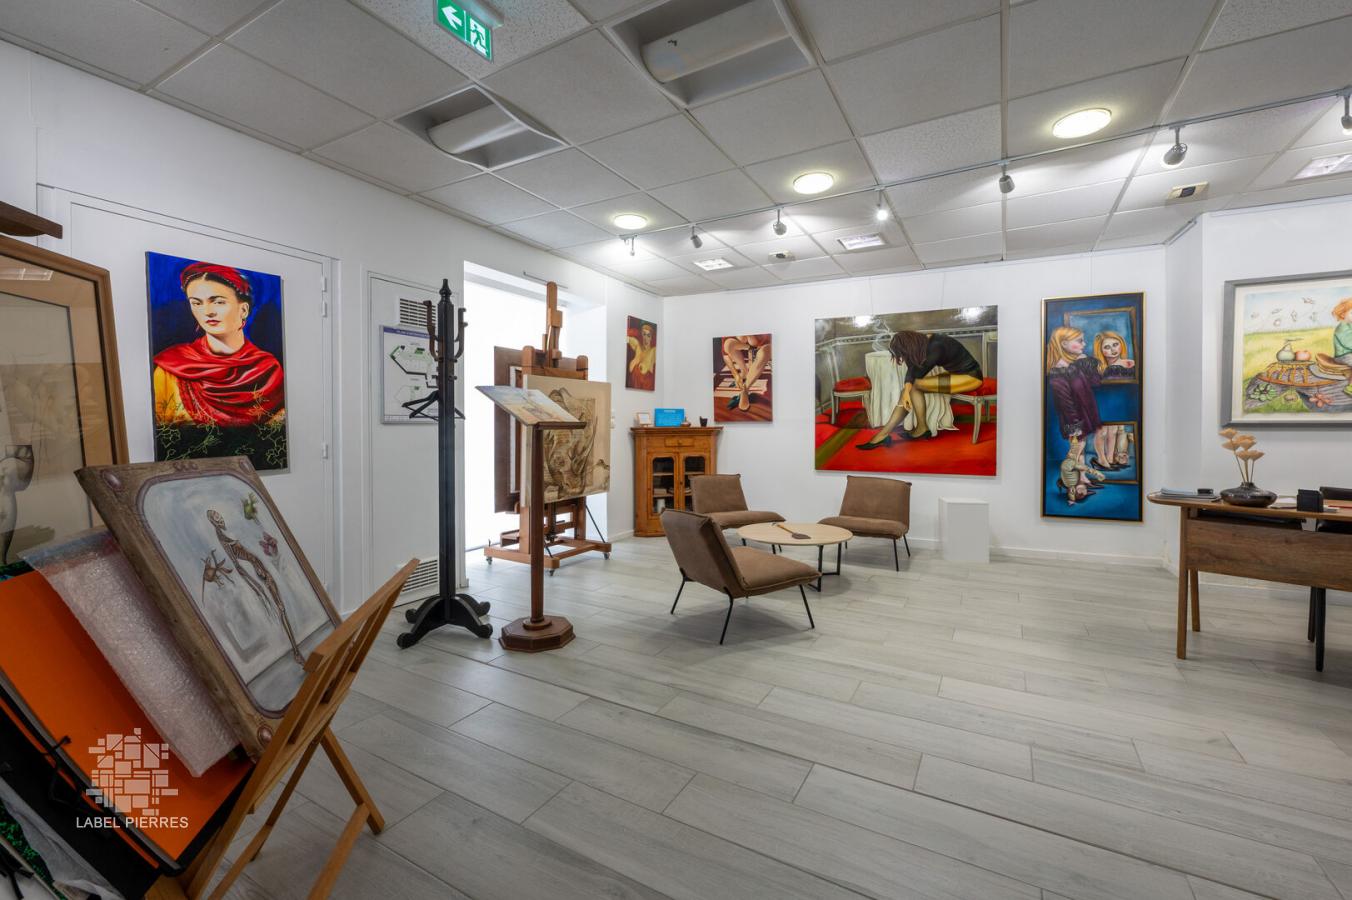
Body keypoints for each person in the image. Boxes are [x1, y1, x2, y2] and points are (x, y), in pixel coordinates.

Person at [152, 262, 285, 429]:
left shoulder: (269, 370)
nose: (207, 312)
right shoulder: (170, 369)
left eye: (218, 302)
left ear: (243, 310)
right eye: (197, 303)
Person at [857, 330, 983, 448]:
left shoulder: (936, 347)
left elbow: (917, 373)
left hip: (971, 377)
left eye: (904, 354)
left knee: (914, 386)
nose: (903, 358)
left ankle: (915, 429)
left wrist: (907, 390)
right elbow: (913, 369)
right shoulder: (926, 341)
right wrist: (906, 391)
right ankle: (889, 433)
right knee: (909, 389)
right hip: (956, 375)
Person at [1046, 325, 1104, 475]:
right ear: (1064, 344)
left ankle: (1082, 478)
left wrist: (1085, 362)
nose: (1084, 344)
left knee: (1081, 448)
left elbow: (1096, 382)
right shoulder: (1058, 371)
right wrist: (1075, 424)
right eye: (1079, 341)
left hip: (1084, 415)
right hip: (1073, 419)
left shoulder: (1075, 365)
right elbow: (1064, 402)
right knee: (1076, 450)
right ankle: (1067, 479)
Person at [721, 335, 771, 412]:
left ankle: (745, 388)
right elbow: (725, 355)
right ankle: (744, 371)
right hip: (750, 345)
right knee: (728, 345)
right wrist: (736, 375)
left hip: (764, 345)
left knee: (764, 352)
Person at [627, 321, 656, 390]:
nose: (646, 338)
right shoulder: (637, 346)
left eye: (648, 335)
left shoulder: (653, 351)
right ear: (641, 335)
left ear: (651, 337)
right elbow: (623, 337)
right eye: (644, 334)